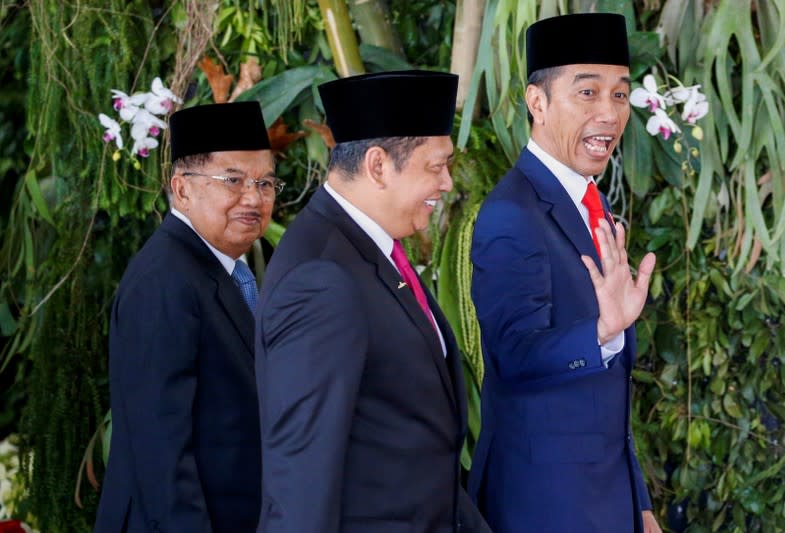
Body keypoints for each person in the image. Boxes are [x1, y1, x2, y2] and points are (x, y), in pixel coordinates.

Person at [255, 71, 490, 533]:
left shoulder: (372, 250)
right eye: (434, 166)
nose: (446, 183)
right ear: (379, 166)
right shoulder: (320, 278)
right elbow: (300, 478)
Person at [467, 13, 662, 533]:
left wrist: (637, 502)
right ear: (537, 102)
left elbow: (609, 393)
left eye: (620, 95)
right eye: (588, 93)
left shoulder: (588, 203)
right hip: (544, 504)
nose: (609, 113)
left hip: (606, 500)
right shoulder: (513, 212)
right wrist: (601, 332)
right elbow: (513, 352)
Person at [95, 101, 280, 532]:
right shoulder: (164, 280)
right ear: (182, 190)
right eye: (232, 180)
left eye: (266, 183)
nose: (253, 198)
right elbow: (160, 445)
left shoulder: (221, 269)